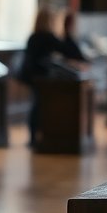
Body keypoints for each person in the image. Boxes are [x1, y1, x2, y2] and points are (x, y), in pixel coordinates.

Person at [20, 8, 67, 147]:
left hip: (32, 77)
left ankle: (33, 136)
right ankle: (42, 135)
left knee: (36, 105)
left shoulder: (33, 37)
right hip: (42, 78)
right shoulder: (47, 37)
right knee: (40, 106)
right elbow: (65, 48)